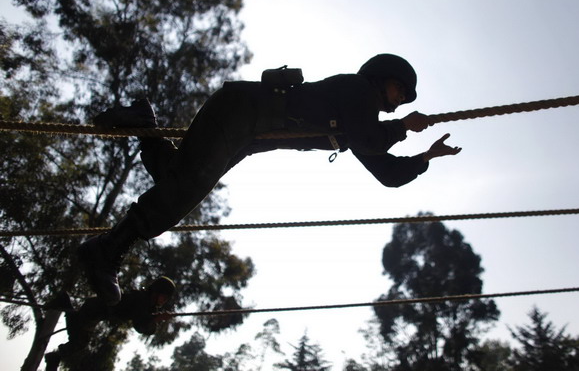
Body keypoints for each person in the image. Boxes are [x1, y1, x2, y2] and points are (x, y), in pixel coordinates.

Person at [79, 53, 462, 306]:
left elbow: (385, 172)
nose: (400, 101)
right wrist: (403, 128)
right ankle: (106, 249)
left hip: (247, 130)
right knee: (183, 190)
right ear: (381, 78)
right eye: (400, 90)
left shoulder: (356, 120)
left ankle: (145, 124)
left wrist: (426, 156)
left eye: (406, 98)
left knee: (173, 178)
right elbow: (371, 140)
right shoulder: (357, 90)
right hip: (242, 113)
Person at [44, 276, 175, 371]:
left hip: (96, 311)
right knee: (78, 341)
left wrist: (156, 318)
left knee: (78, 337)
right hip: (95, 310)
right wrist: (158, 319)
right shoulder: (142, 301)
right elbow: (140, 326)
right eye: (164, 297)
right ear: (157, 292)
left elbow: (144, 322)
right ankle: (54, 357)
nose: (164, 301)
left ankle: (64, 302)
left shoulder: (145, 302)